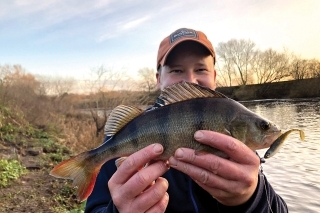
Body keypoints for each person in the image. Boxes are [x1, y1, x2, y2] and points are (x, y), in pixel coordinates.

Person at [85, 28, 288, 213]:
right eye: (176, 70)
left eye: (201, 69)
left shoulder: (239, 153)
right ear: (158, 79)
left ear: (215, 76)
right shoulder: (126, 136)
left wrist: (251, 197)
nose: (190, 79)